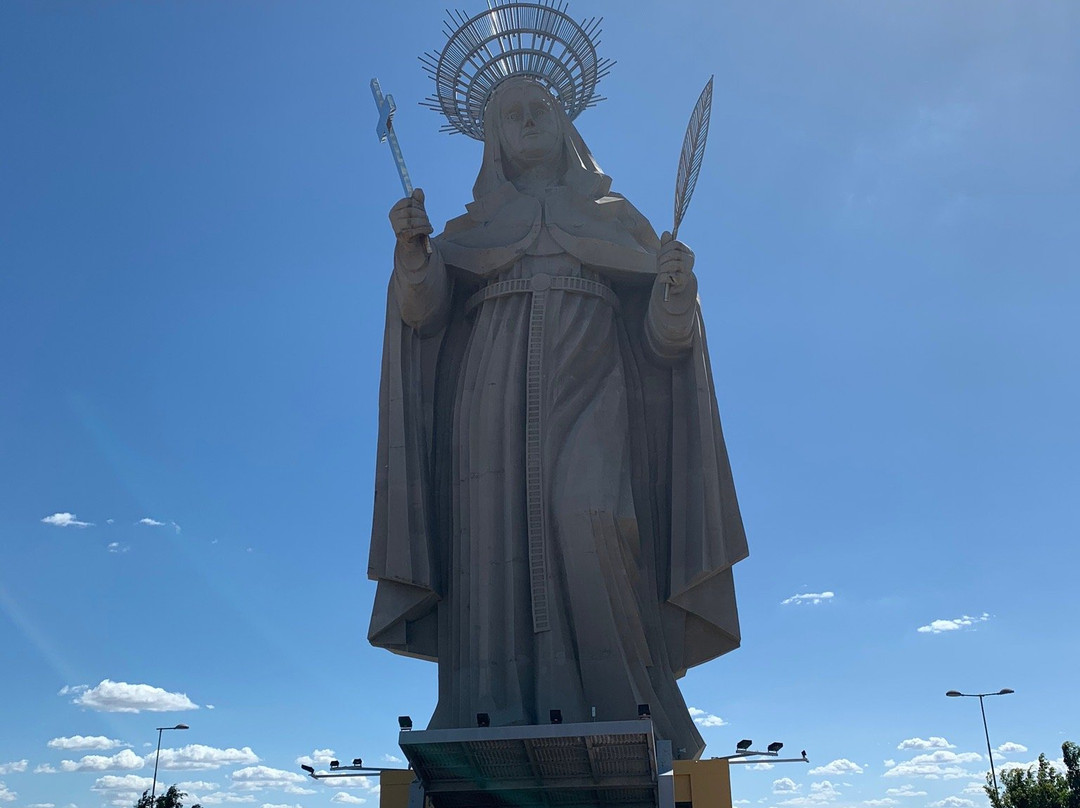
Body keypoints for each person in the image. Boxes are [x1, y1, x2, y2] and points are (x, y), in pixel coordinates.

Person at [367, 76, 747, 759]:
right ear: (495, 138)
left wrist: (675, 290)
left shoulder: (615, 218)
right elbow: (422, 314)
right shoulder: (469, 229)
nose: (530, 118)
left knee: (595, 513)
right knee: (492, 537)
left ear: (566, 124)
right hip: (488, 391)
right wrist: (415, 254)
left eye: (541, 107)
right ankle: (490, 708)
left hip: (594, 377)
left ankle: (631, 702)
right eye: (512, 114)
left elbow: (667, 340)